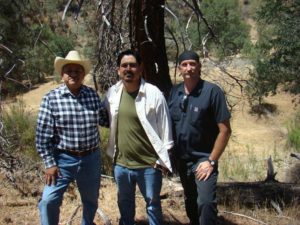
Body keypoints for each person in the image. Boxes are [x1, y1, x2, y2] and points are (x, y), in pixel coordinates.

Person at [36, 50, 109, 225]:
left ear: (83, 74)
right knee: (48, 201)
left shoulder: (92, 95)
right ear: (62, 75)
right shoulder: (51, 99)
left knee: (90, 200)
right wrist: (50, 163)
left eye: (78, 71)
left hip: (91, 158)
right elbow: (42, 136)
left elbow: (105, 120)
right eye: (69, 71)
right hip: (62, 160)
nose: (74, 74)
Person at [104, 49, 173, 225]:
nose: (128, 69)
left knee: (152, 205)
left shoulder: (154, 93)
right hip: (121, 164)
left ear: (140, 68)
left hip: (149, 164)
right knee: (125, 205)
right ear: (118, 70)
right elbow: (105, 119)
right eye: (124, 65)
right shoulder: (112, 93)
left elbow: (166, 130)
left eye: (133, 65)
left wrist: (162, 160)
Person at [168, 50, 232, 225]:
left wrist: (211, 161)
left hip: (203, 160)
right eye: (185, 64)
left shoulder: (212, 92)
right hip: (182, 160)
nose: (189, 68)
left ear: (199, 66)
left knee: (205, 202)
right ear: (179, 68)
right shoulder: (175, 92)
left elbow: (225, 130)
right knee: (190, 200)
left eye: (192, 64)